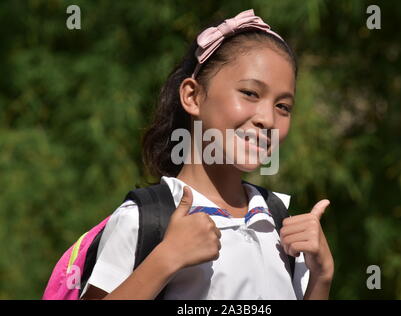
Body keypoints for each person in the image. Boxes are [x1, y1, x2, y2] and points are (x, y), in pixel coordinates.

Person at [81, 8, 334, 300]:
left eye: (283, 106)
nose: (268, 118)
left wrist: (321, 277)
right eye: (250, 93)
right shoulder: (143, 221)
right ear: (192, 96)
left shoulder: (279, 224)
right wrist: (165, 260)